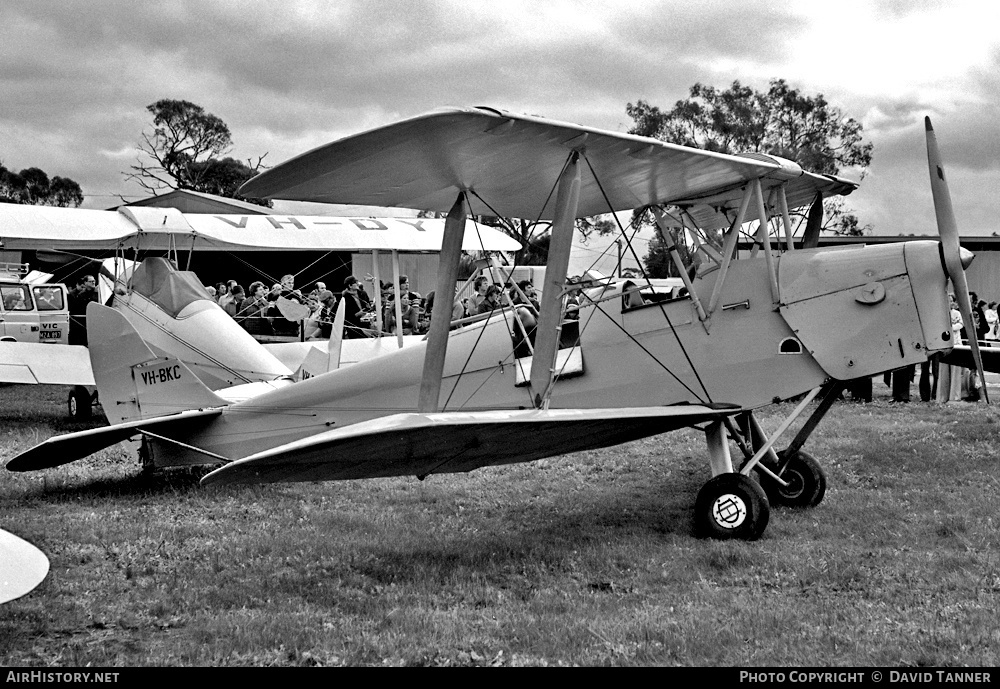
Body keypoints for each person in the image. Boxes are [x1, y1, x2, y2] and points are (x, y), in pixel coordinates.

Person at [67, 275, 99, 346]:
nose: (93, 283)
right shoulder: (81, 295)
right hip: (82, 322)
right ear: (85, 283)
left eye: (94, 281)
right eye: (91, 281)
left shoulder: (99, 294)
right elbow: (76, 309)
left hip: (95, 320)